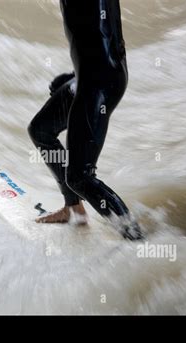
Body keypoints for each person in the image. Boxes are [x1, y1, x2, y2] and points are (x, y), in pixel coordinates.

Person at [28, 0, 142, 240]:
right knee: (40, 131)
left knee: (80, 177)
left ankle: (136, 240)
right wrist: (75, 71)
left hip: (101, 82)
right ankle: (73, 209)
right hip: (86, 76)